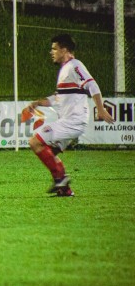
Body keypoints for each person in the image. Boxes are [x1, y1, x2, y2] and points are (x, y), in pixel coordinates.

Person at [24, 33, 114, 197]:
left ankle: (61, 179)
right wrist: (37, 103)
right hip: (70, 121)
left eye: (54, 49)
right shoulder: (65, 70)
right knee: (48, 151)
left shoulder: (75, 65)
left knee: (35, 141)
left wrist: (100, 109)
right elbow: (57, 98)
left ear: (64, 50)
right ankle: (65, 189)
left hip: (73, 121)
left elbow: (92, 85)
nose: (52, 52)